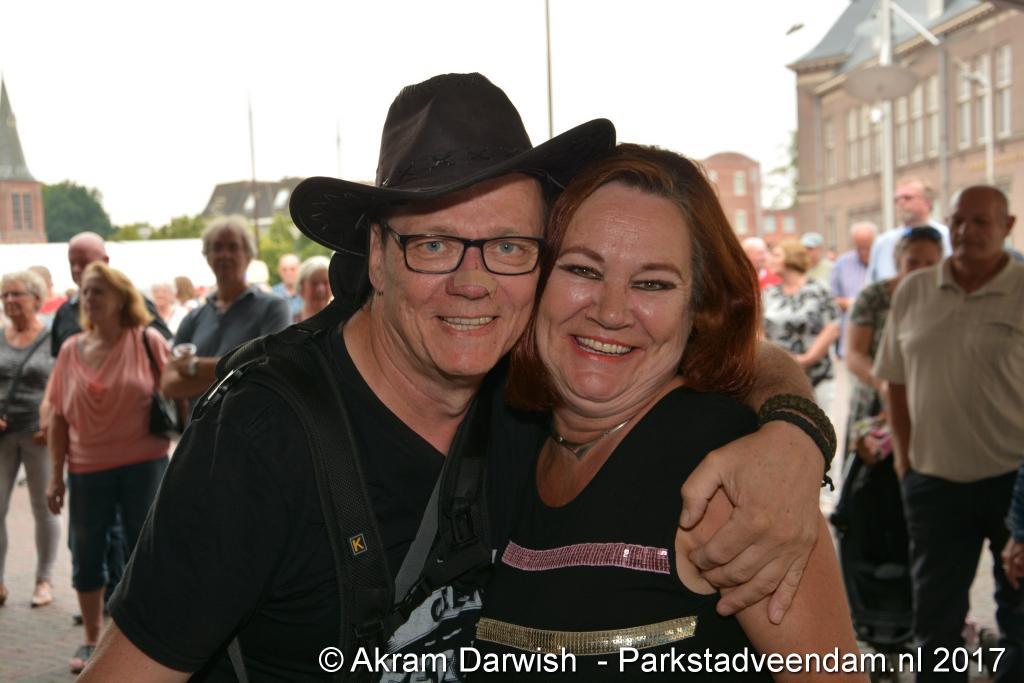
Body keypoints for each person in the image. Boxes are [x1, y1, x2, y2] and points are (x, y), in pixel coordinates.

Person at [82, 73, 828, 681]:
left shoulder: (520, 396)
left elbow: (720, 353)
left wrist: (795, 432)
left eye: (508, 246)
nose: (473, 284)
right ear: (378, 257)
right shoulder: (260, 439)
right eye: (435, 244)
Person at [479, 144, 863, 680]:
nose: (611, 311)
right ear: (537, 282)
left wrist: (797, 426)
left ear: (699, 309)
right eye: (583, 270)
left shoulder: (733, 478)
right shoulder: (511, 431)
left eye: (653, 284)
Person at [874, 186, 1024, 682]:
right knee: (935, 622)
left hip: (1014, 482)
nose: (966, 231)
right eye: (958, 220)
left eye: (981, 221)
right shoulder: (914, 290)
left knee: (1021, 616)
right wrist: (905, 463)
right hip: (934, 483)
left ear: (1008, 226)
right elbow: (894, 381)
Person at [44, 262, 173, 674]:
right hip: (86, 469)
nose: (89, 298)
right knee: (87, 555)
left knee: (145, 553)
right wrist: (54, 476)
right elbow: (58, 418)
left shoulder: (148, 340)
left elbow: (179, 394)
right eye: (85, 292)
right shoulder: (70, 350)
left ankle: (146, 638)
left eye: (98, 290)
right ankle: (91, 639)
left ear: (121, 297)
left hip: (144, 465)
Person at [160, 216, 291, 402]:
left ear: (248, 255)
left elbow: (271, 368)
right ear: (208, 257)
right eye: (217, 247)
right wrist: (238, 372)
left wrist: (194, 366)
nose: (224, 255)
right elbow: (168, 385)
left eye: (233, 247)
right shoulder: (193, 318)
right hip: (198, 423)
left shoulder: (273, 308)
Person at [844, 227, 942, 465]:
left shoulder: (944, 297)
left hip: (927, 401)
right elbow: (854, 355)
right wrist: (884, 385)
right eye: (913, 262)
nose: (920, 269)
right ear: (898, 260)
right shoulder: (874, 297)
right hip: (876, 398)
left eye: (929, 263)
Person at [0, 270, 59, 609]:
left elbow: (62, 382)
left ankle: (44, 580)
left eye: (16, 294)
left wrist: (51, 420)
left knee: (44, 506)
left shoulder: (52, 337)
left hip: (40, 434)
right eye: (4, 295)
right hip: (3, 434)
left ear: (36, 299)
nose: (9, 301)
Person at [762, 239, 841, 407]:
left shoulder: (818, 289)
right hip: (778, 376)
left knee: (817, 421)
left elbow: (832, 327)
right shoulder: (768, 293)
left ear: (791, 257)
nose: (770, 260)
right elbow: (759, 331)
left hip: (816, 375)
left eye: (776, 255)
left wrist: (805, 359)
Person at [866, 177, 951, 284]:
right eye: (897, 199)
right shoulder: (883, 242)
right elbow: (871, 281)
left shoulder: (947, 237)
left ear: (928, 202)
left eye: (907, 198)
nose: (901, 203)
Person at [829, 221, 876, 358]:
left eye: (867, 247)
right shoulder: (842, 264)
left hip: (879, 342)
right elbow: (830, 300)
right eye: (859, 248)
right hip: (851, 341)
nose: (863, 252)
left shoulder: (886, 261)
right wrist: (847, 303)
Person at [294, 255, 331, 322]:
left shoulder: (344, 323)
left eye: (325, 282)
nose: (320, 289)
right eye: (314, 283)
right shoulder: (288, 322)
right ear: (301, 287)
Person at [271, 253, 303, 317]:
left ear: (300, 269)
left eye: (292, 269)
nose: (288, 273)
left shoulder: (308, 294)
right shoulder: (272, 295)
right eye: (284, 270)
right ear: (279, 271)